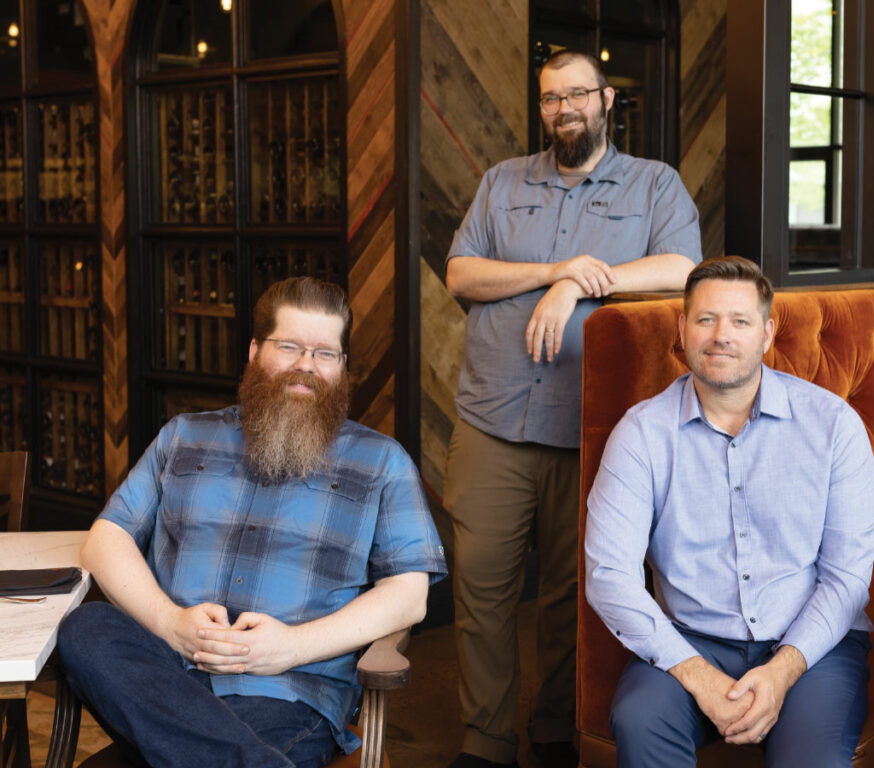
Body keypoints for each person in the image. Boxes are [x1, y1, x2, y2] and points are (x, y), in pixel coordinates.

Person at [58, 277, 447, 768]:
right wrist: (171, 623)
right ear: (255, 351)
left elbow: (410, 594)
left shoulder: (381, 462)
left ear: (342, 366)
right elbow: (104, 541)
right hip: (166, 681)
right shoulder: (184, 437)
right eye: (290, 347)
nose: (306, 366)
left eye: (326, 353)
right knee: (87, 626)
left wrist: (289, 647)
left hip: (286, 696)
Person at [444, 48, 703, 768]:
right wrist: (552, 271)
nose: (564, 110)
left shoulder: (655, 186)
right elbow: (461, 272)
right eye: (552, 99)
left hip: (592, 431)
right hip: (491, 423)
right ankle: (486, 741)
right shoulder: (502, 184)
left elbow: (682, 269)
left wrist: (586, 285)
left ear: (608, 98)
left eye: (577, 95)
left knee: (572, 597)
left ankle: (554, 733)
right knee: (482, 590)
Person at [585, 256, 874, 767]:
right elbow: (609, 576)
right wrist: (698, 675)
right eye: (706, 319)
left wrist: (782, 671)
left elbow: (847, 579)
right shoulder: (641, 435)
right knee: (639, 719)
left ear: (766, 334)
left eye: (740, 321)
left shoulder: (834, 425)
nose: (721, 335)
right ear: (682, 329)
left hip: (811, 645)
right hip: (688, 639)